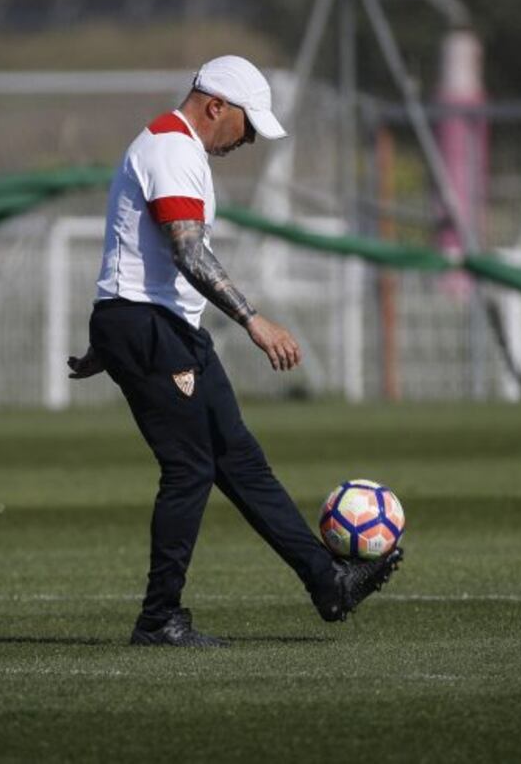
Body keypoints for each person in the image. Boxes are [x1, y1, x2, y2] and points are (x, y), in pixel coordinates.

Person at [67, 55, 402, 647]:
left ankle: (329, 583)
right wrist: (254, 321)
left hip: (158, 326)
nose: (247, 140)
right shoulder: (170, 147)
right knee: (190, 466)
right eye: (247, 126)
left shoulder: (183, 150)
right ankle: (158, 618)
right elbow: (186, 252)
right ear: (215, 106)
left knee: (238, 458)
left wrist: (111, 344)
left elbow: (134, 251)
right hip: (148, 325)